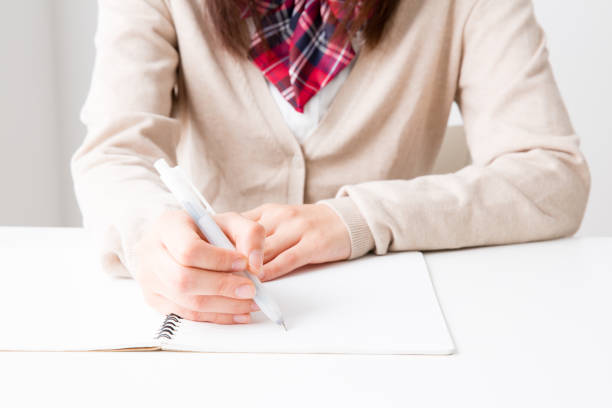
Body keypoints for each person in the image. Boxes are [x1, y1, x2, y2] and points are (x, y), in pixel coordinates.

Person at [72, 0, 590, 325]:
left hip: (393, 327)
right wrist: (150, 235)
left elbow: (552, 174)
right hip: (225, 326)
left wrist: (360, 220)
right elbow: (115, 153)